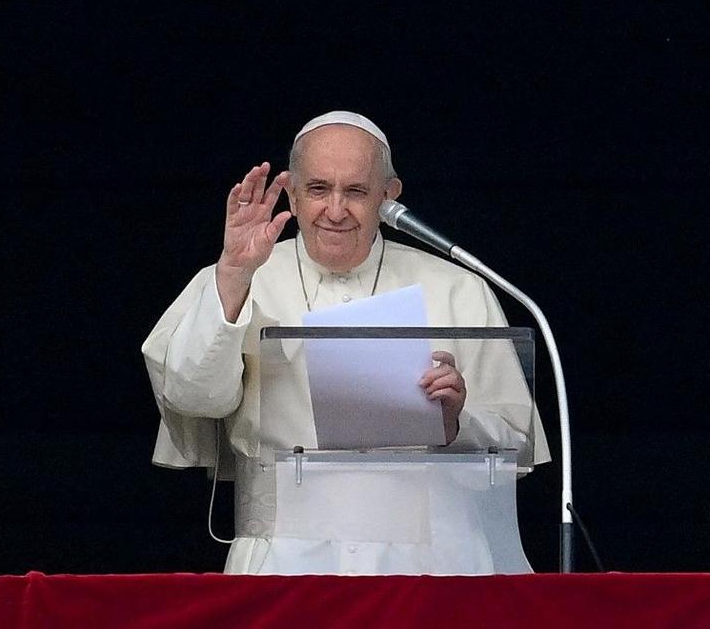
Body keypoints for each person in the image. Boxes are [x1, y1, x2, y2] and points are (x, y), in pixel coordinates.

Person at [142, 111, 549, 575]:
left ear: (388, 196)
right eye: (318, 190)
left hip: (432, 563)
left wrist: (457, 422)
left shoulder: (458, 288)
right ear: (291, 194)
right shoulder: (237, 277)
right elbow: (193, 398)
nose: (335, 210)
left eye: (355, 191)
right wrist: (234, 276)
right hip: (284, 560)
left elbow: (516, 445)